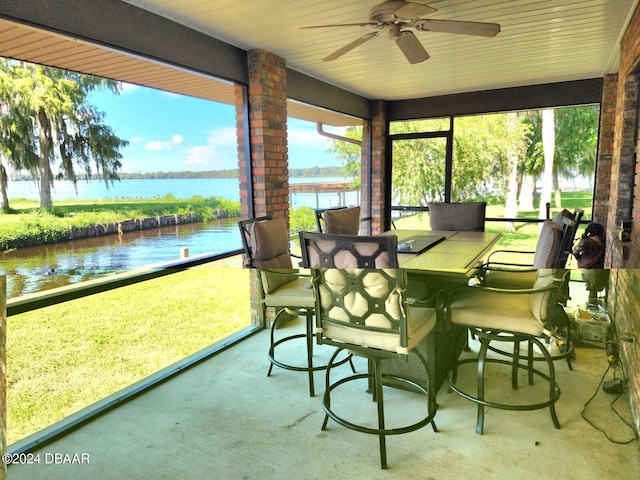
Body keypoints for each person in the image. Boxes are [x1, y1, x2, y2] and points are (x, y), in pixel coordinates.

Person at [573, 223, 607, 308]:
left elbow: (576, 251)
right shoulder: (602, 241)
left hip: (589, 269)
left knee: (591, 289)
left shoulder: (586, 241)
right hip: (600, 268)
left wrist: (578, 257)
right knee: (594, 288)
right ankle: (594, 304)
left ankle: (592, 305)